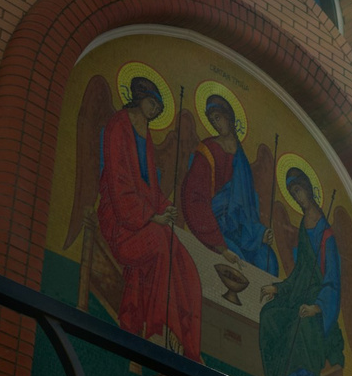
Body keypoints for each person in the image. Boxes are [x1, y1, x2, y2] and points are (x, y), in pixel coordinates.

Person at [94, 76, 201, 360]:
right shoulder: (119, 125)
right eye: (153, 103)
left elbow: (150, 186)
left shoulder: (147, 134)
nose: (155, 110)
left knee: (183, 259)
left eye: (158, 107)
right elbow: (119, 186)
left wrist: (165, 208)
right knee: (159, 243)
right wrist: (152, 216)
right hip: (118, 218)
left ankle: (182, 336)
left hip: (143, 215)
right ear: (139, 99)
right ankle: (156, 327)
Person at [258, 167, 341, 376]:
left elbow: (333, 279)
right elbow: (302, 271)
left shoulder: (326, 235)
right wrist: (278, 288)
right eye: (293, 194)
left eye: (299, 191)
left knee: (299, 324)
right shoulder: (305, 226)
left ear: (308, 189)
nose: (297, 198)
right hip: (299, 295)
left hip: (319, 302)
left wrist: (317, 307)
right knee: (270, 315)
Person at [179, 92, 279, 272]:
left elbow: (247, 210)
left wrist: (260, 232)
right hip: (213, 226)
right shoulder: (207, 151)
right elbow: (194, 199)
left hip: (240, 229)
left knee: (269, 261)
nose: (216, 123)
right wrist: (221, 247)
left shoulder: (242, 160)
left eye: (218, 117)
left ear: (229, 117)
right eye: (212, 120)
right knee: (237, 260)